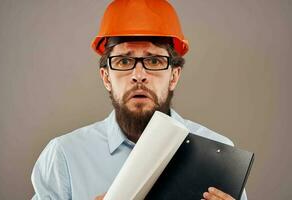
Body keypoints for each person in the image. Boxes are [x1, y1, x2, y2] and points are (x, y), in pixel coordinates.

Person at [31, 0, 247, 200]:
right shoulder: (65, 156)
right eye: (124, 61)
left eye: (153, 60)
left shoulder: (219, 154)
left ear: (174, 76)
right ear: (106, 77)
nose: (139, 74)